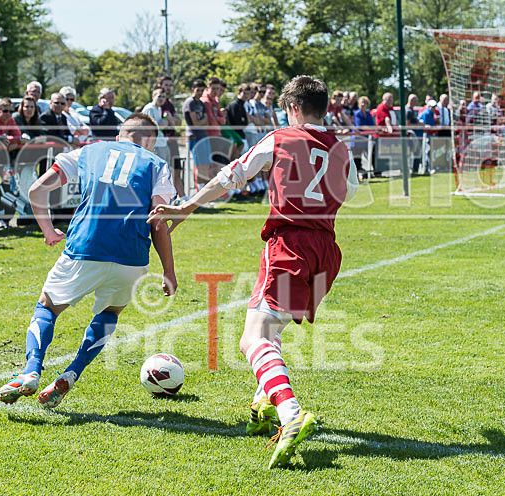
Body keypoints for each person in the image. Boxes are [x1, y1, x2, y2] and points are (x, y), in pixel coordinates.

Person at [148, 75, 358, 469]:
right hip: (326, 251)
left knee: (252, 339)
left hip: (290, 245)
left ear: (293, 108)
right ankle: (263, 404)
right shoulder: (341, 148)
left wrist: (186, 206)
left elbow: (231, 175)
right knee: (270, 329)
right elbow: (350, 191)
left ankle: (290, 413)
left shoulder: (281, 138)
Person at [0, 113, 176, 409]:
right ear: (150, 143)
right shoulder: (156, 164)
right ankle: (72, 373)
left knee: (47, 306)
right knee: (110, 312)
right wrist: (168, 271)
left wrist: (48, 230)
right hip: (132, 256)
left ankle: (31, 371)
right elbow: (158, 221)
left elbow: (36, 190)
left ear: (119, 135)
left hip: (85, 246)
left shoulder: (89, 151)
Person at [157, 76, 184, 198]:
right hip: (163, 142)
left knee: (177, 169)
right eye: (166, 85)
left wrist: (171, 120)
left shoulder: (170, 103)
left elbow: (177, 122)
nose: (168, 88)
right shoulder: (158, 104)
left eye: (170, 85)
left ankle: (182, 197)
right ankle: (169, 198)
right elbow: (164, 122)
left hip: (173, 140)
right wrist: (171, 120)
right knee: (164, 172)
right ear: (160, 85)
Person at [183, 79, 211, 181]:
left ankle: (205, 186)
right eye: (198, 90)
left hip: (204, 136)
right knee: (199, 165)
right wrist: (201, 121)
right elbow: (195, 123)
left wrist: (201, 121)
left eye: (202, 90)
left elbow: (206, 121)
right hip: (194, 137)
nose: (200, 93)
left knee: (206, 164)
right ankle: (200, 187)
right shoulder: (190, 102)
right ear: (193, 89)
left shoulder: (201, 103)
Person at [142, 88, 171, 166]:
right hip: (155, 145)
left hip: (162, 143)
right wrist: (164, 121)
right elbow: (149, 128)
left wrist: (164, 120)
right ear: (153, 96)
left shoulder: (159, 109)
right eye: (159, 96)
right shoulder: (149, 108)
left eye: (163, 97)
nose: (161, 99)